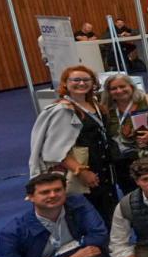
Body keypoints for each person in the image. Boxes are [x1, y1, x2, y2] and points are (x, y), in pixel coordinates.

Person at [29, 65, 119, 224]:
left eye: (86, 80)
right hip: (84, 172)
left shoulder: (95, 106)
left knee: (109, 213)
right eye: (76, 80)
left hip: (104, 169)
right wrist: (81, 172)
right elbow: (55, 150)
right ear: (66, 83)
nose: (82, 83)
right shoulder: (63, 110)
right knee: (92, 217)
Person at [102, 73, 148, 195]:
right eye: (114, 88)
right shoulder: (106, 110)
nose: (119, 91)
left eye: (123, 86)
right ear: (108, 92)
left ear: (131, 86)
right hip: (123, 163)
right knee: (132, 195)